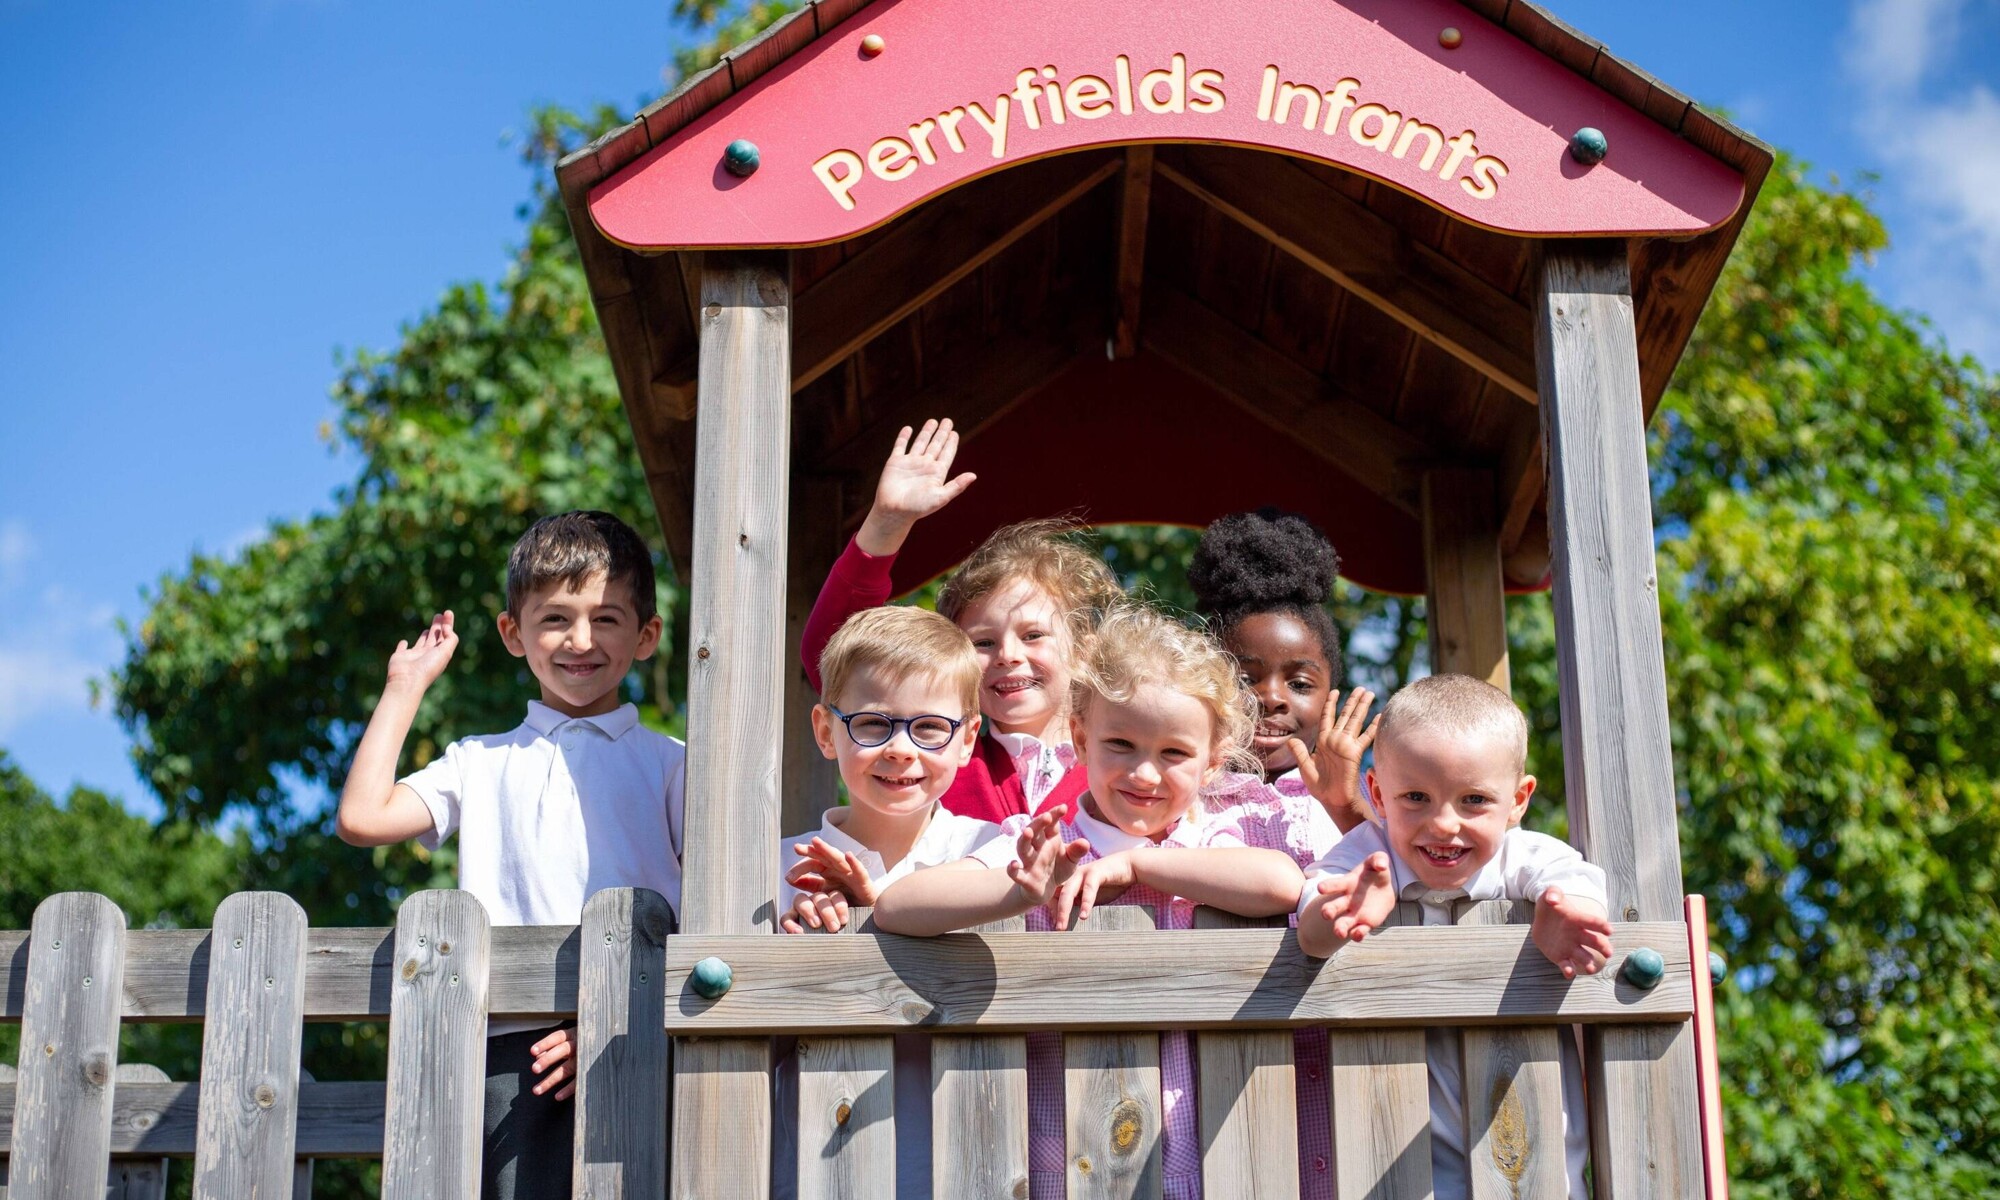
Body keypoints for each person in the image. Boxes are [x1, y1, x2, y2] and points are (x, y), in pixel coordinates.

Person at [875, 602, 1306, 1200]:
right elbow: (898, 906)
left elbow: (1282, 883)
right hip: (1071, 1150)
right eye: (1121, 744)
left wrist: (1138, 861)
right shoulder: (1046, 842)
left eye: (1174, 754)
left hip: (1218, 1148)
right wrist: (1019, 886)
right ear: (1081, 738)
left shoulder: (1223, 835)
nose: (1145, 774)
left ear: (1213, 761)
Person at [334, 510, 684, 1200]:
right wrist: (406, 687)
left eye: (607, 619)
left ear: (646, 637)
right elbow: (361, 817)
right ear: (512, 634)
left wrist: (624, 1019)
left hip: (639, 1036)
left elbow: (710, 907)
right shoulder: (478, 762)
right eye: (555, 618)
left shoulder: (673, 766)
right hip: (502, 1044)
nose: (580, 640)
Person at [1296, 673, 1613, 1200]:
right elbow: (1310, 925)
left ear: (1517, 801)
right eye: (1416, 797)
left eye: (1473, 801)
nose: (1444, 825)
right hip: (1398, 1164)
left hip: (1535, 1158)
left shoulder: (1523, 854)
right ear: (1376, 793)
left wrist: (1567, 915)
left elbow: (1577, 881)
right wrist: (1342, 912)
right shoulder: (1369, 851)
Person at [798, 419, 1120, 823]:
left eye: (1033, 635)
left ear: (1084, 651)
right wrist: (886, 523)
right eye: (983, 642)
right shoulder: (943, 757)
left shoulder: (1126, 761)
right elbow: (837, 654)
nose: (1008, 655)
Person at [777, 605, 1015, 935]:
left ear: (967, 740)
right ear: (826, 733)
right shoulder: (775, 871)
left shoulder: (995, 853)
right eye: (873, 723)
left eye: (930, 726)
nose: (901, 750)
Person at [1188, 507, 1377, 828]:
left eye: (1300, 684)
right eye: (1244, 678)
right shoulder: (1175, 795)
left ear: (1332, 695)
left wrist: (1344, 808)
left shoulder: (1372, 801)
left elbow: (1401, 875)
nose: (1272, 698)